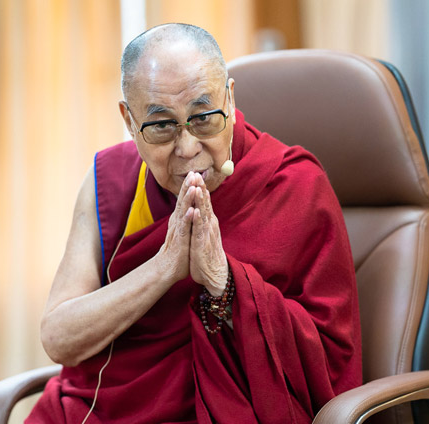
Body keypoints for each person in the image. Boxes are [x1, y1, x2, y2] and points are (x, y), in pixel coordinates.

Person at [27, 23, 361, 424]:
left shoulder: (296, 185)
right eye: (162, 126)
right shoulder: (109, 180)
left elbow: (329, 361)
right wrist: (165, 267)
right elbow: (59, 338)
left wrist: (224, 281)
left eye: (204, 118)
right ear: (129, 121)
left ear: (230, 99)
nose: (188, 149)